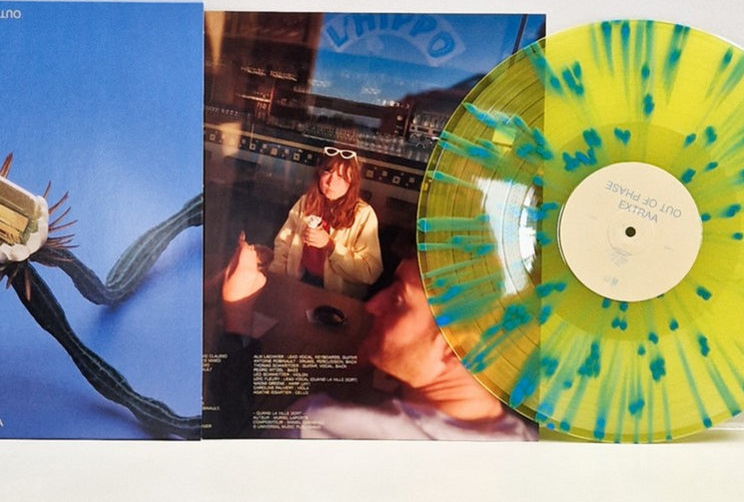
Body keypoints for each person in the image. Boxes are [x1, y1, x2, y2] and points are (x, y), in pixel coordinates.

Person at [213, 238, 536, 441]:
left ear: (459, 350)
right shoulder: (530, 442)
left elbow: (231, 463)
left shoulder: (318, 428)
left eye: (398, 300)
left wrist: (237, 314)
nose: (372, 305)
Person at [271, 147, 381, 298]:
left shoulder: (364, 214)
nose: (331, 182)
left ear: (352, 181)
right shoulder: (306, 201)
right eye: (327, 172)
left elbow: (370, 272)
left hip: (338, 295)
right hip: (300, 280)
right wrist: (275, 279)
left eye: (341, 176)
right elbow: (284, 243)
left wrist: (330, 246)